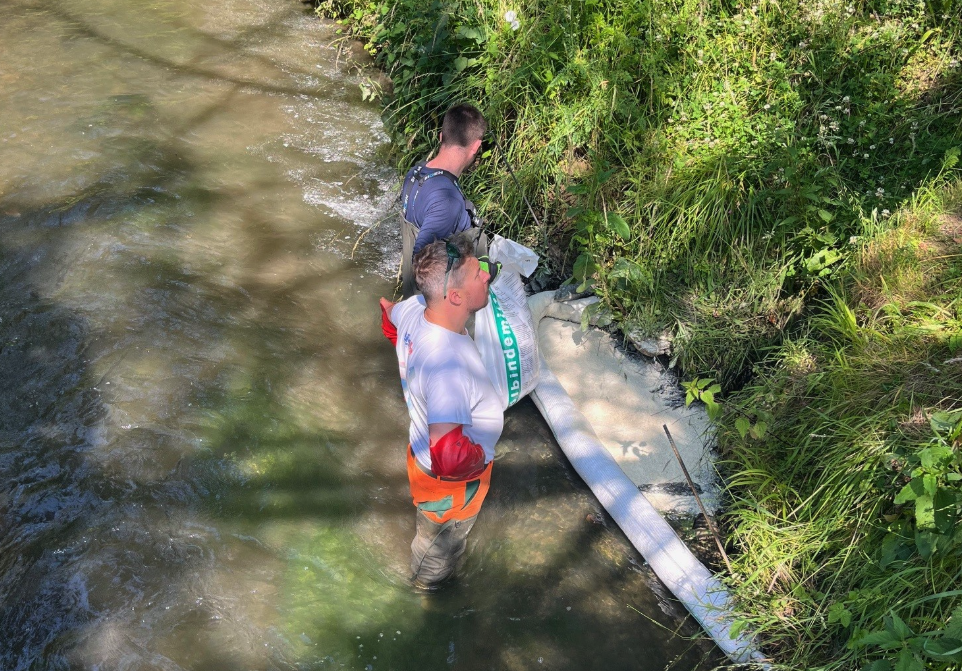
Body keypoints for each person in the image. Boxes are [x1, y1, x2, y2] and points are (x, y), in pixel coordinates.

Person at [379, 237, 502, 588]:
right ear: (457, 297)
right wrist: (482, 458)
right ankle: (423, 595)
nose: (486, 277)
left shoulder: (418, 310)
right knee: (436, 551)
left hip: (421, 461)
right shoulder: (449, 366)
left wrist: (405, 352)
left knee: (432, 534)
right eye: (477, 274)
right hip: (451, 485)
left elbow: (388, 311)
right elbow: (449, 456)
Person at [399, 104, 488, 298]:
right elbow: (420, 263)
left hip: (416, 302)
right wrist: (482, 272)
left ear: (441, 136)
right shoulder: (447, 201)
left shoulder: (416, 173)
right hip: (442, 310)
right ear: (476, 147)